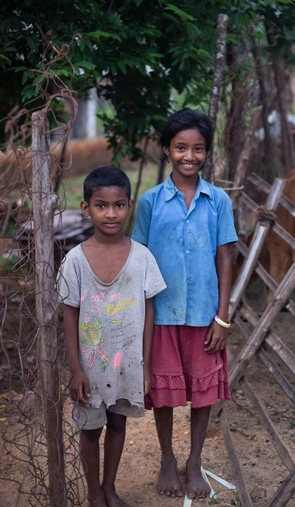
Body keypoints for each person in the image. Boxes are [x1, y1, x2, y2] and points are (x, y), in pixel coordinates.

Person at [132, 109, 238, 500]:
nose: (188, 156)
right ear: (166, 150)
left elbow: (225, 257)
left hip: (204, 315)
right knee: (164, 391)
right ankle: (165, 457)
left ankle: (194, 460)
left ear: (207, 153)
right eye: (180, 147)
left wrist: (222, 317)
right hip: (161, 314)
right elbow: (139, 257)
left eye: (197, 148)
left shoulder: (218, 200)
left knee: (203, 392)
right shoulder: (150, 202)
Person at [59, 167, 166, 507]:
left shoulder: (142, 258)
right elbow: (70, 316)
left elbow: (150, 313)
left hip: (127, 363)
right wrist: (76, 369)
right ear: (85, 207)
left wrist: (146, 365)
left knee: (118, 424)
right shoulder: (75, 261)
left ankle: (110, 488)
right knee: (91, 429)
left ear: (130, 206)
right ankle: (93, 493)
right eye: (101, 205)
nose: (110, 213)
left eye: (119, 205)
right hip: (90, 369)